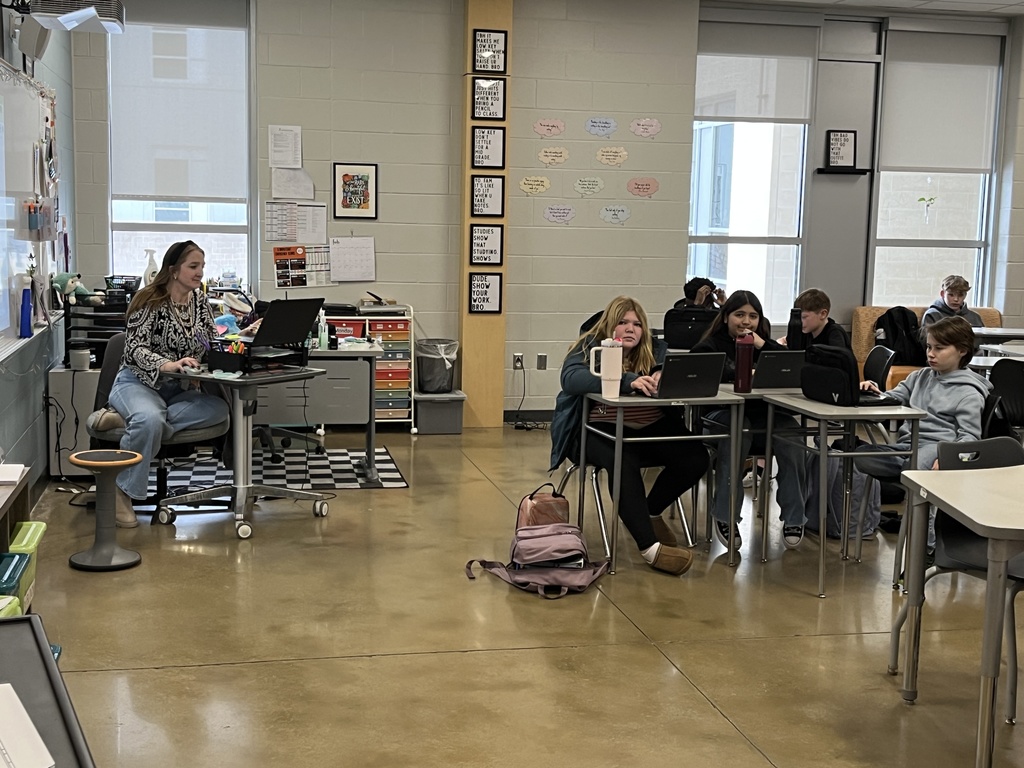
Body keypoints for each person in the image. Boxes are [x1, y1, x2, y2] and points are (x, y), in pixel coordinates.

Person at [549, 296, 709, 576]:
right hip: (596, 431)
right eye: (623, 322)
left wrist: (663, 376)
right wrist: (626, 380)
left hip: (649, 429)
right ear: (610, 326)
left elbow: (668, 370)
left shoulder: (657, 349)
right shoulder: (588, 347)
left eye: (637, 324)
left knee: (695, 456)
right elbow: (571, 379)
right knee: (622, 458)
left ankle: (648, 512)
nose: (630, 328)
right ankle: (649, 547)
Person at [107, 241, 231, 528]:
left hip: (178, 391)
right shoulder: (148, 299)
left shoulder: (199, 301)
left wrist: (240, 337)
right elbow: (134, 350)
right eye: (193, 266)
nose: (200, 272)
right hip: (138, 383)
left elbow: (211, 342)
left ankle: (132, 419)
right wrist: (167, 364)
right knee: (148, 417)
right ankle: (121, 493)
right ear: (174, 270)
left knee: (219, 410)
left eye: (202, 267)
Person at [855, 315, 991, 550]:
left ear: (961, 350)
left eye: (939, 348)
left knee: (919, 465)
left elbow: (969, 438)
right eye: (929, 347)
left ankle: (926, 547)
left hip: (937, 448)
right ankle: (907, 470)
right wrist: (875, 392)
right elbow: (893, 398)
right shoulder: (920, 377)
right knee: (858, 455)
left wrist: (948, 458)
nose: (931, 353)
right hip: (908, 446)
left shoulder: (969, 393)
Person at [691, 291, 808, 550]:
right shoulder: (710, 345)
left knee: (793, 433)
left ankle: (794, 516)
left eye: (753, 316)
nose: (746, 321)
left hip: (765, 415)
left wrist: (761, 345)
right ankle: (726, 515)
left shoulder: (763, 345)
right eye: (739, 315)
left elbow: (792, 364)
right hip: (721, 416)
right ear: (725, 317)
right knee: (739, 430)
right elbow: (700, 371)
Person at [781, 288, 851, 349]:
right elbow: (786, 341)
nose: (800, 322)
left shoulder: (835, 333)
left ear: (823, 314)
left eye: (804, 317)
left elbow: (838, 359)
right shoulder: (806, 330)